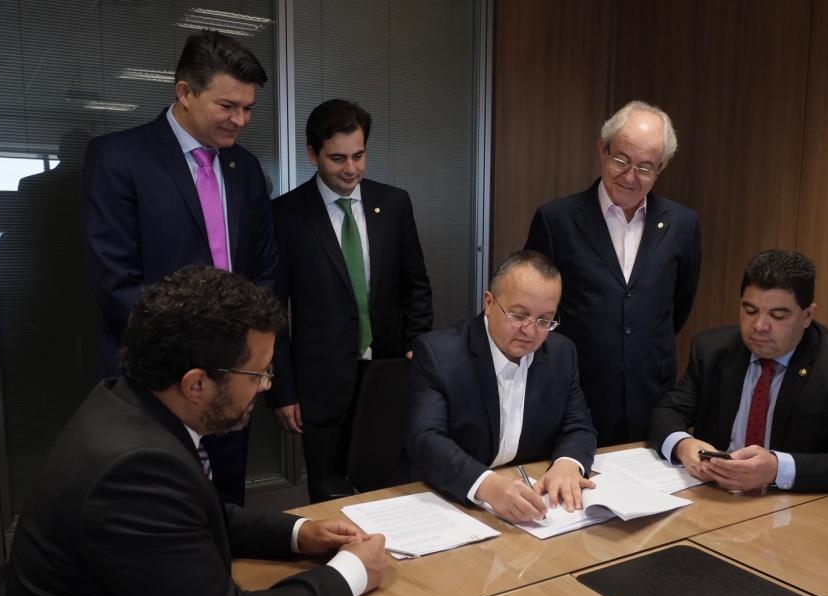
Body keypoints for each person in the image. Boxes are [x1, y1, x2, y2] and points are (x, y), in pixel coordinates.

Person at [0, 266, 387, 596]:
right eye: (258, 375)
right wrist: (351, 573)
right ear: (196, 384)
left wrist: (298, 533)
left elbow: (197, 515)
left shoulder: (126, 404)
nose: (265, 387)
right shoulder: (136, 469)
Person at [84, 30, 278, 505]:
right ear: (185, 92)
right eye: (227, 106)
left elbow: (264, 267)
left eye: (248, 108)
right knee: (159, 505)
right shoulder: (119, 157)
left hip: (232, 375)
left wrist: (242, 354)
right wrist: (194, 354)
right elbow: (116, 280)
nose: (240, 120)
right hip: (159, 379)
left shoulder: (245, 168)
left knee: (226, 505)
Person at [270, 99, 433, 502]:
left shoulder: (393, 204)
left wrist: (416, 346)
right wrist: (283, 389)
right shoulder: (286, 215)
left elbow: (415, 285)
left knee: (389, 486)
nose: (351, 169)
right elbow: (273, 311)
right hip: (319, 382)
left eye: (358, 156)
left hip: (386, 374)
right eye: (338, 158)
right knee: (330, 492)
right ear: (312, 155)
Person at [526, 100, 701, 446]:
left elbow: (678, 305)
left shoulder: (683, 224)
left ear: (661, 167)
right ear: (602, 149)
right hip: (577, 392)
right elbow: (537, 308)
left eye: (645, 167)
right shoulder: (557, 220)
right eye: (621, 159)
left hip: (651, 395)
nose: (630, 176)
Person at [649, 250, 828, 493]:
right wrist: (683, 445)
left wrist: (776, 469)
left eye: (777, 316)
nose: (759, 326)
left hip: (796, 503)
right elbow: (667, 412)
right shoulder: (712, 349)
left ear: (807, 316)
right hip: (717, 495)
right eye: (750, 311)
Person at [407, 251, 597, 524]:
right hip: (447, 501)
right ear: (488, 302)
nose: (530, 331)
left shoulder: (561, 352)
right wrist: (487, 485)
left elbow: (578, 425)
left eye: (545, 320)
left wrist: (568, 463)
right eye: (519, 315)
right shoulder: (439, 354)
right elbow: (426, 440)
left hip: (529, 497)